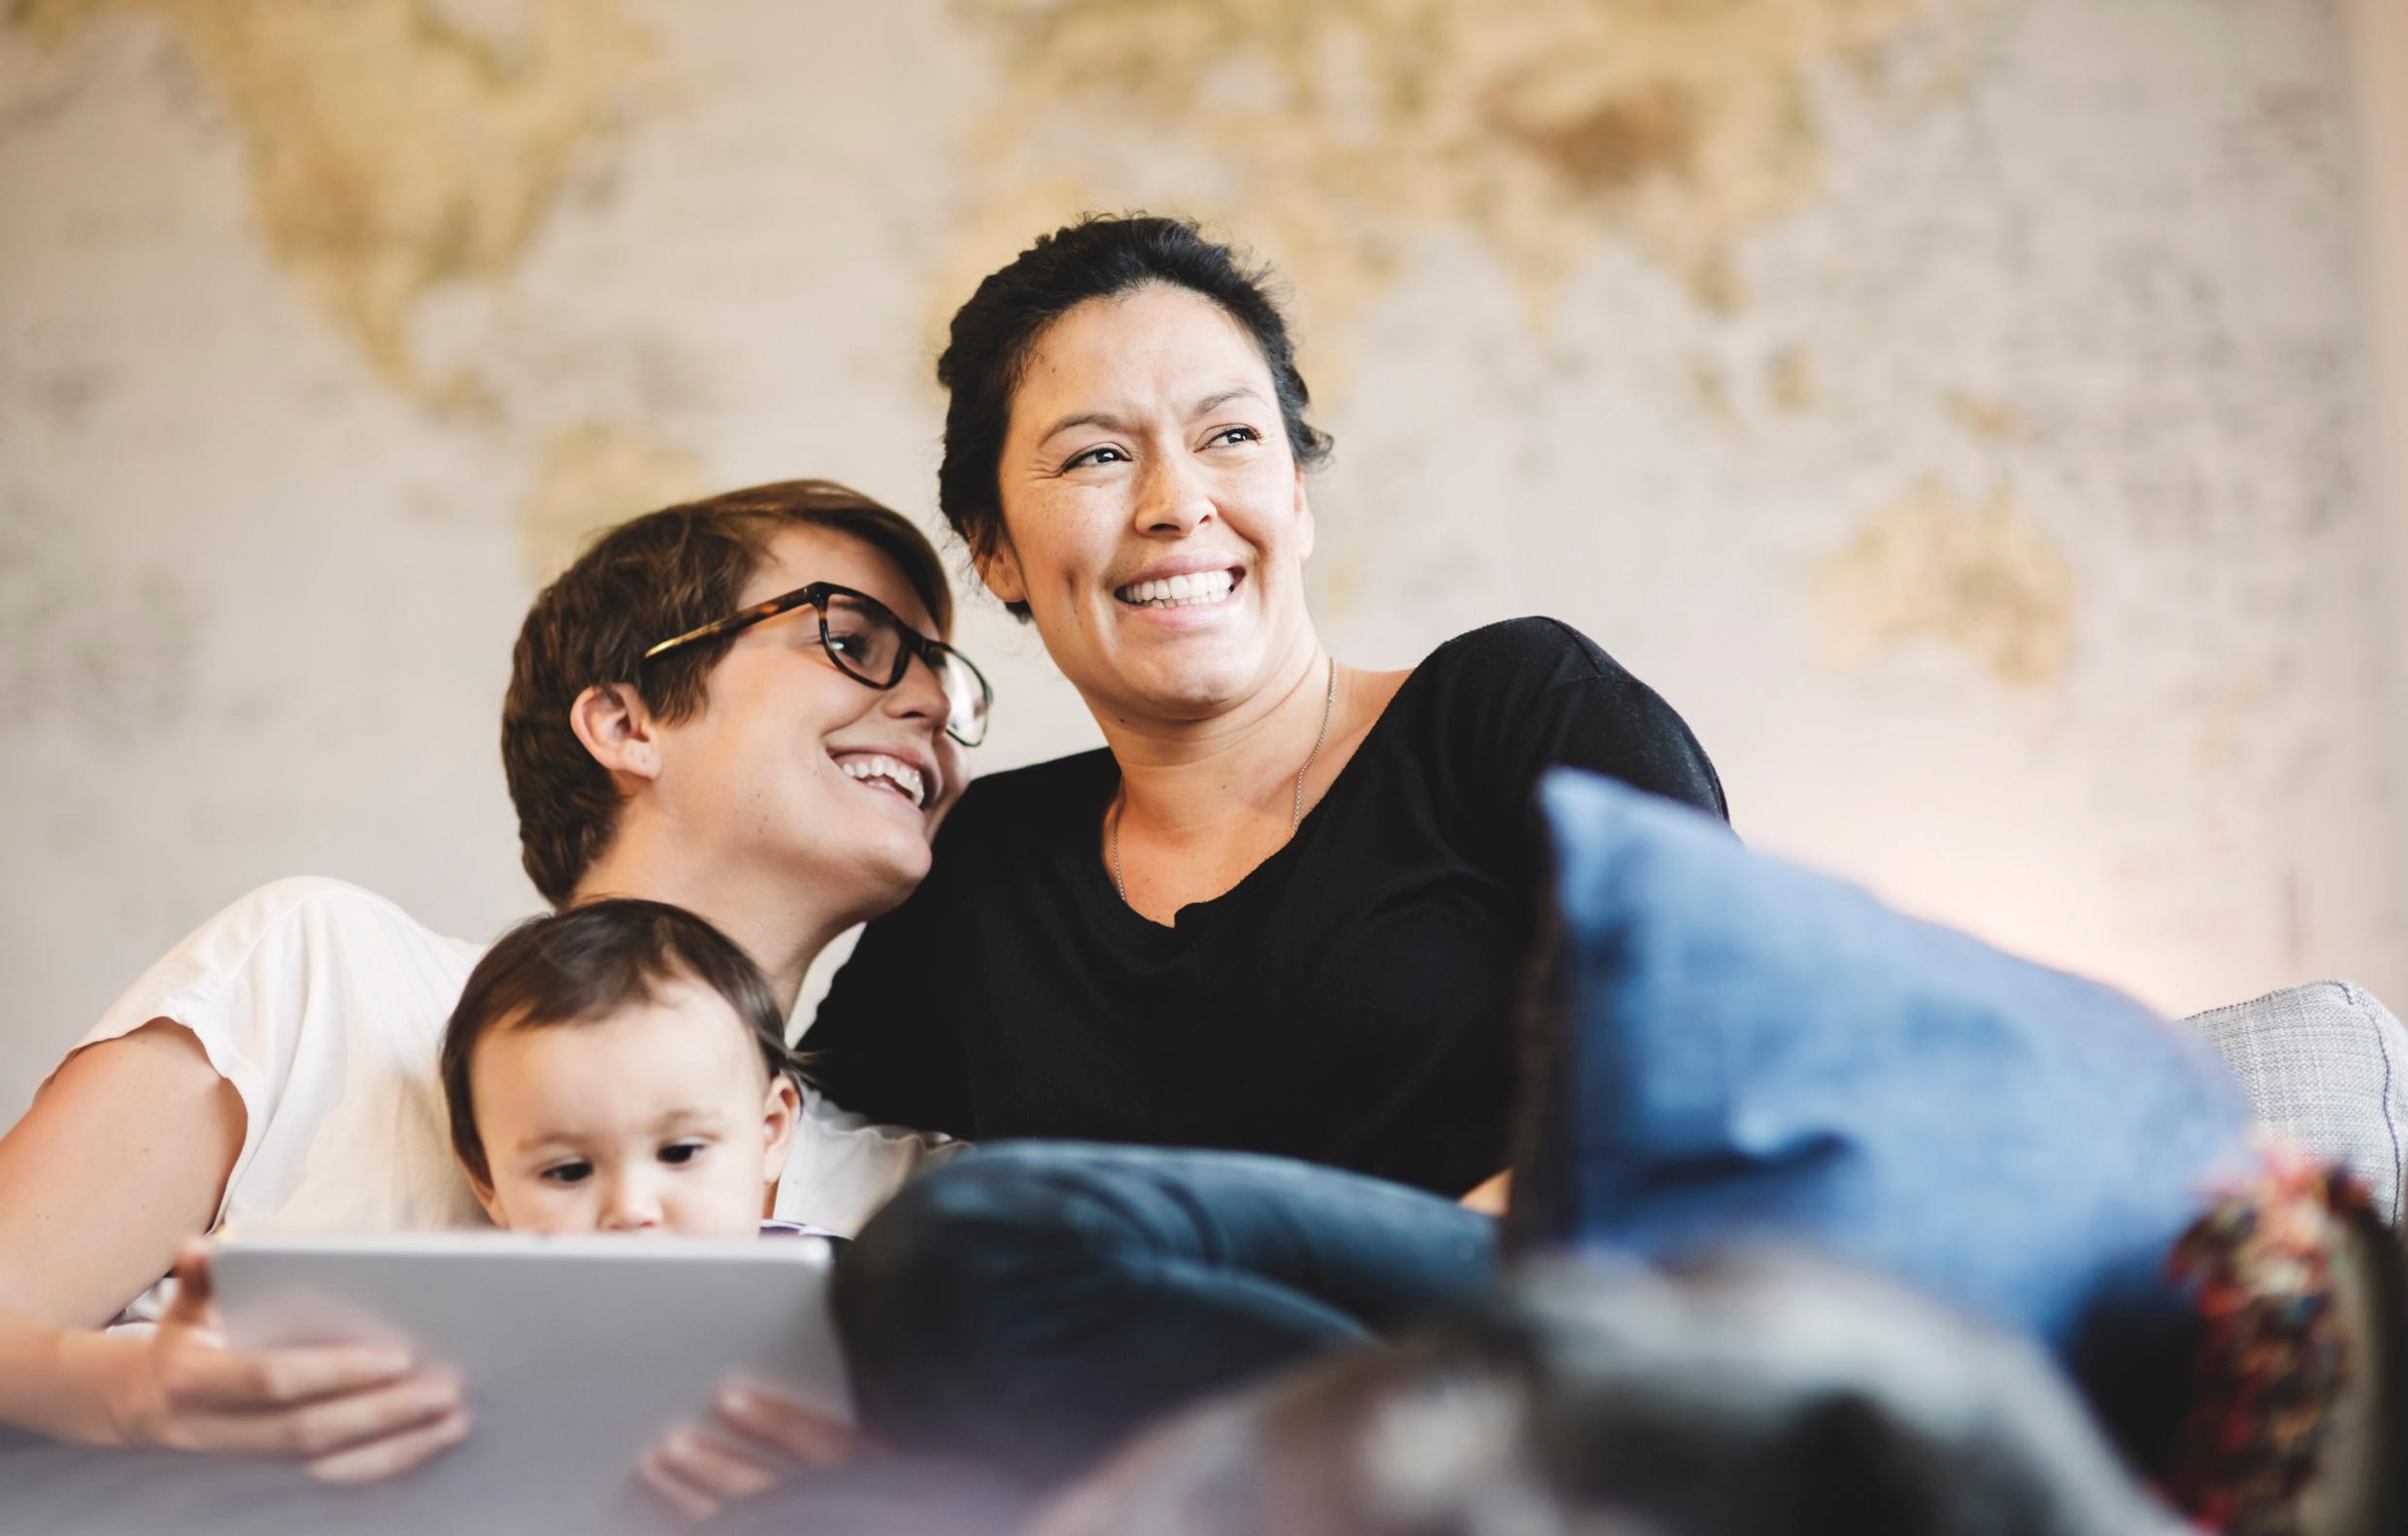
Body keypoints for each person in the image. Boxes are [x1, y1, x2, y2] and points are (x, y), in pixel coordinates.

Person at [796, 216, 1728, 1481]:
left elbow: (1705, 1095)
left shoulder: (1513, 710)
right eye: (1095, 456)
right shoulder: (991, 869)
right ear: (996, 553)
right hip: (1220, 1486)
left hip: (1565, 1387)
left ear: (1294, 492)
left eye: (1232, 437)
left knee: (979, 1243)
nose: (1178, 504)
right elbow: (760, 1139)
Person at [0, 480, 981, 1515]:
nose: (927, 705)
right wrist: (127, 1396)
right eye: (854, 641)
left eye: (941, 677)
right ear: (627, 718)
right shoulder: (322, 971)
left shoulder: (918, 1203)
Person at [439, 898, 816, 1241]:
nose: (631, 1210)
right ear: (488, 1180)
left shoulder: (841, 1291)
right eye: (569, 1171)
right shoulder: (477, 1310)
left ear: (770, 1132)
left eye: (680, 1152)